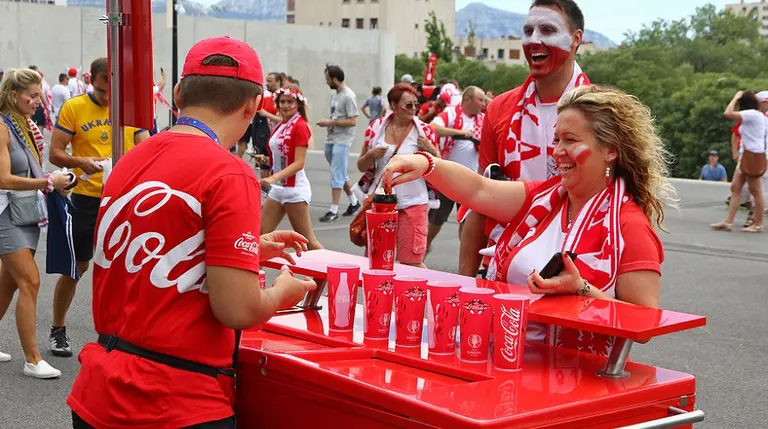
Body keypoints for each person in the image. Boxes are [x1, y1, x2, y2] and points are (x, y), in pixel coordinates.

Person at [67, 36, 317, 429]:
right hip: (177, 402)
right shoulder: (229, 173)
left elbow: (158, 247)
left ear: (180, 93)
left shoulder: (129, 160)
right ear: (253, 106)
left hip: (98, 393)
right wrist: (283, 291)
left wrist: (246, 252)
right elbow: (238, 309)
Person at [382, 84, 673, 357]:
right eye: (556, 140)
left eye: (570, 141)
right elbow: (480, 190)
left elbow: (644, 324)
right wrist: (426, 164)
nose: (558, 152)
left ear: (610, 150)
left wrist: (582, 290)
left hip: (577, 379)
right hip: (504, 357)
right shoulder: (545, 198)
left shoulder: (629, 226)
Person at [459, 0, 590, 278]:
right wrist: (466, 286)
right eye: (528, 31)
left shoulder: (602, 111)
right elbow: (482, 200)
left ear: (576, 39)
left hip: (577, 268)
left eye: (546, 29)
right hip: (504, 267)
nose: (534, 40)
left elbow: (620, 198)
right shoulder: (499, 109)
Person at [48, 57, 150, 358]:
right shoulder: (74, 107)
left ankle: (124, 333)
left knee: (129, 267)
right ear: (92, 80)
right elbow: (55, 152)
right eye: (102, 91)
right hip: (87, 196)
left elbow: (145, 143)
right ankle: (58, 328)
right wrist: (81, 162)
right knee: (76, 267)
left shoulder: (130, 108)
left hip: (126, 199)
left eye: (112, 92)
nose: (107, 99)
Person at [0, 69, 71, 378]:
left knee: (10, 282)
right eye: (34, 94)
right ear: (14, 96)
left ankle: (32, 356)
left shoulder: (25, 125)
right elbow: (2, 178)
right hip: (5, 213)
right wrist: (47, 181)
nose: (39, 100)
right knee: (29, 280)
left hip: (24, 211)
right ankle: (32, 358)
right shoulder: (3, 128)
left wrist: (53, 182)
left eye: (40, 94)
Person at [357, 83, 440, 268]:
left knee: (411, 262)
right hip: (381, 203)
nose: (414, 109)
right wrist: (371, 155)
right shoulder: (375, 129)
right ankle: (379, 297)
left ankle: (423, 296)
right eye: (408, 105)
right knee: (377, 260)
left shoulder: (424, 132)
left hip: (414, 203)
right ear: (394, 106)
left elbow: (440, 166)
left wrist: (431, 149)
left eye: (416, 105)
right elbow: (362, 166)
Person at [258, 85, 322, 250]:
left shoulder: (300, 125)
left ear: (298, 104)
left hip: (294, 190)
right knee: (260, 234)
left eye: (289, 102)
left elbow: (299, 162)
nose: (285, 105)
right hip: (278, 189)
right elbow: (283, 155)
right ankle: (253, 273)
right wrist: (266, 159)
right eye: (282, 102)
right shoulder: (282, 124)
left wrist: (272, 177)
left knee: (308, 241)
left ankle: (330, 273)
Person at [427, 86, 486, 253]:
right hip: (448, 177)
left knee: (467, 223)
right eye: (480, 100)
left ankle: (465, 261)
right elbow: (432, 127)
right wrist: (460, 133)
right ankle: (420, 253)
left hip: (471, 180)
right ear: (467, 100)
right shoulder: (452, 113)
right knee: (435, 220)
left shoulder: (483, 119)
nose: (483, 104)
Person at [712, 90, 768, 233]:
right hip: (747, 155)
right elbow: (737, 133)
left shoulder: (753, 114)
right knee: (736, 188)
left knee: (756, 191)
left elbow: (728, 113)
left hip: (753, 156)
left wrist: (735, 97)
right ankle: (728, 221)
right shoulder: (756, 116)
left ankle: (758, 224)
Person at [317, 64, 361, 222]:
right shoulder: (336, 95)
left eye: (328, 79)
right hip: (332, 137)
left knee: (337, 173)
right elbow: (336, 116)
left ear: (335, 78)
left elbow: (353, 121)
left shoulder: (349, 96)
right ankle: (354, 201)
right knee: (340, 171)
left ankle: (333, 209)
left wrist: (330, 122)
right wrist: (330, 123)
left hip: (343, 139)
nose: (327, 82)